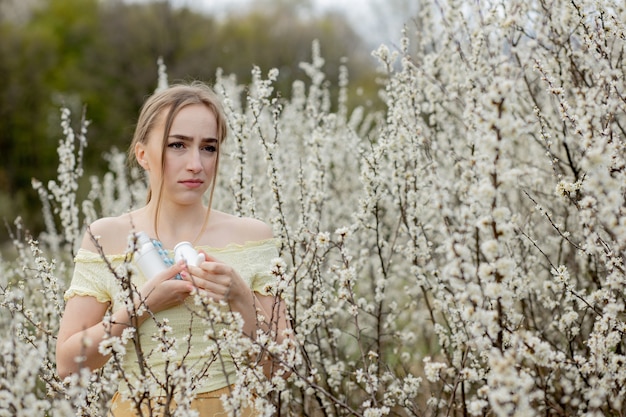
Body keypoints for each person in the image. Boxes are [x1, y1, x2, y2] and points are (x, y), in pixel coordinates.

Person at [55, 82, 290, 416]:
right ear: (142, 155)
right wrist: (141, 306)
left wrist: (240, 298)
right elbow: (68, 364)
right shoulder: (107, 237)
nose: (196, 163)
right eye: (177, 145)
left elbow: (283, 370)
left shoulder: (252, 236)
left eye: (208, 148)